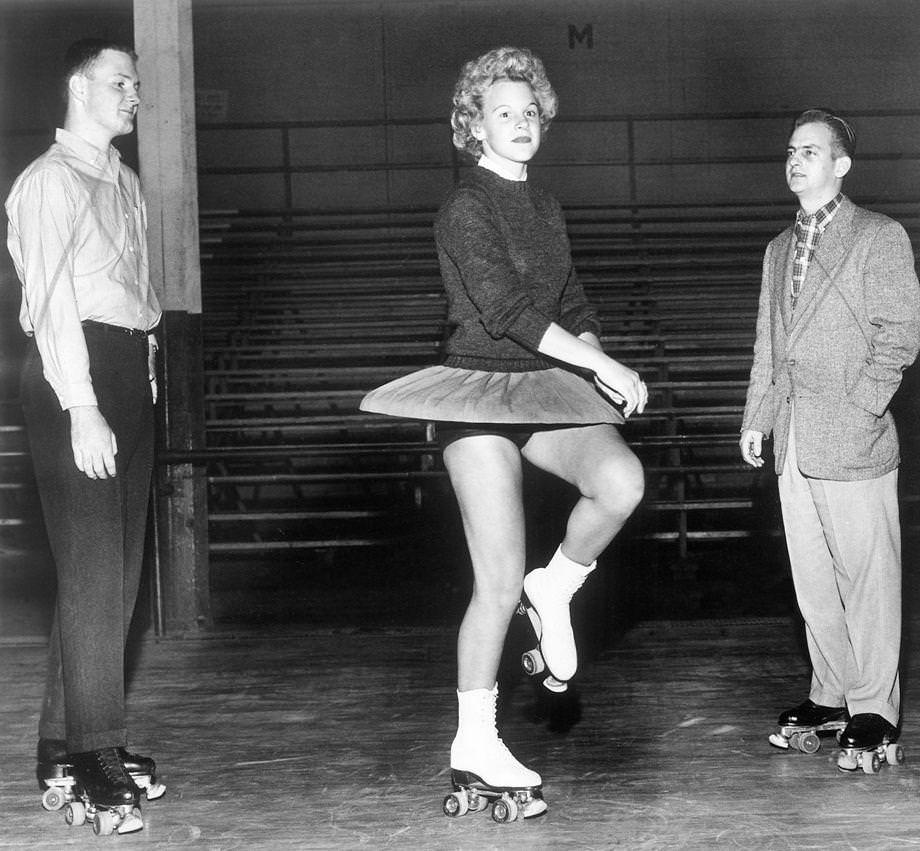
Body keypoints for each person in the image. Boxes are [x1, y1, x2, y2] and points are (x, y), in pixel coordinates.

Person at [361, 46, 646, 815]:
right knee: (495, 577)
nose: (520, 123)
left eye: (529, 111)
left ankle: (555, 587)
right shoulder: (465, 206)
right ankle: (475, 739)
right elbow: (508, 312)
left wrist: (595, 358)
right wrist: (603, 364)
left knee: (621, 481)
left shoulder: (546, 206)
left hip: (542, 384)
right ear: (473, 126)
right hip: (478, 394)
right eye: (503, 112)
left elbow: (571, 303)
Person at [6, 39, 163, 830]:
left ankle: (63, 742)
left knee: (115, 574)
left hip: (128, 369)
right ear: (77, 87)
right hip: (76, 375)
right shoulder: (49, 181)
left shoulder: (124, 180)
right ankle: (98, 752)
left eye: (136, 82)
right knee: (95, 571)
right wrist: (83, 404)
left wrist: (141, 371)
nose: (133, 93)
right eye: (119, 81)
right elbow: (52, 301)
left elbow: (133, 292)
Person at [740, 108, 920, 767]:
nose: (796, 160)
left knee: (868, 576)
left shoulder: (879, 235)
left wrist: (862, 406)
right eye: (791, 150)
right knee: (813, 578)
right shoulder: (777, 249)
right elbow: (769, 344)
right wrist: (757, 416)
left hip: (854, 435)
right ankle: (833, 692)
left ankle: (874, 707)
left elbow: (902, 334)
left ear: (841, 164)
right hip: (794, 436)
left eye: (810, 151)